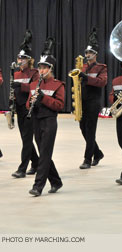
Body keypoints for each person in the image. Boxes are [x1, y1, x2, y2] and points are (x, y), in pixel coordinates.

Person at [26, 37, 64, 196]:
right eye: (40, 68)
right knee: (44, 153)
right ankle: (56, 181)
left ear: (50, 68)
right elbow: (28, 104)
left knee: (45, 154)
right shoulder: (34, 84)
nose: (41, 71)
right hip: (36, 120)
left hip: (49, 121)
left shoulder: (58, 85)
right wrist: (32, 102)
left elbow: (60, 105)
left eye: (44, 68)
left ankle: (38, 186)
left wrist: (43, 98)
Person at [11, 30, 40, 178]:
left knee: (27, 139)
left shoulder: (34, 72)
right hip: (19, 108)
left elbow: (35, 88)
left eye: (23, 58)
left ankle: (22, 168)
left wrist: (20, 87)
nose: (20, 60)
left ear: (29, 60)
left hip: (30, 109)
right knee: (25, 138)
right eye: (18, 57)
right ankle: (36, 163)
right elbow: (14, 91)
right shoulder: (16, 73)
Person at [78, 27, 107, 169]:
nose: (87, 54)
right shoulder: (82, 67)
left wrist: (86, 78)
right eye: (86, 52)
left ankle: (87, 159)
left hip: (93, 102)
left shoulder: (101, 67)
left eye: (90, 52)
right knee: (83, 128)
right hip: (82, 101)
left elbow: (102, 82)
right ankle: (98, 153)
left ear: (95, 54)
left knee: (90, 130)